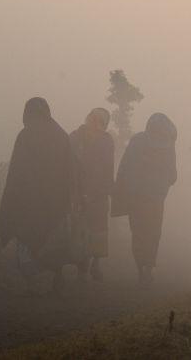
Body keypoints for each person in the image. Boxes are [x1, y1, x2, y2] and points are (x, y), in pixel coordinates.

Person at [0, 97, 74, 293]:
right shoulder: (61, 136)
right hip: (55, 204)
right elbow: (72, 172)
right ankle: (56, 277)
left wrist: (6, 214)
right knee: (54, 240)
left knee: (28, 241)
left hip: (28, 205)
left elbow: (15, 174)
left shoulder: (26, 136)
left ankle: (33, 282)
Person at [112, 113, 177, 288]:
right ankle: (148, 268)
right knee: (153, 233)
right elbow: (173, 175)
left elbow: (124, 167)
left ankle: (141, 268)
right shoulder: (168, 145)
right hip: (155, 200)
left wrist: (122, 190)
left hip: (136, 198)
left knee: (138, 233)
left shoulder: (137, 140)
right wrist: (162, 185)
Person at [69, 108, 114, 282]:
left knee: (99, 230)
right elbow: (68, 163)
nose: (95, 123)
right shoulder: (75, 137)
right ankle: (83, 266)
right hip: (80, 192)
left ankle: (95, 265)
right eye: (93, 118)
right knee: (82, 229)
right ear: (87, 118)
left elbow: (108, 166)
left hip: (99, 193)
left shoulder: (106, 140)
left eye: (100, 121)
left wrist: (108, 188)